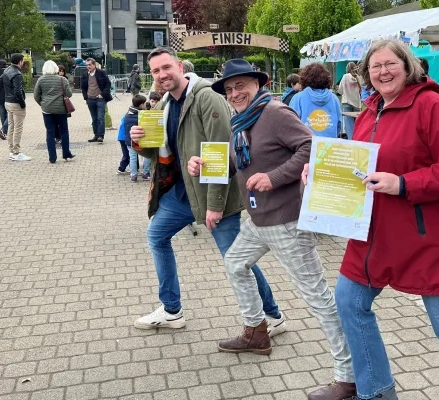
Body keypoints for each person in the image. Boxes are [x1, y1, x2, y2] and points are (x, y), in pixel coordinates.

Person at [302, 39, 439, 400]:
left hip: (429, 236)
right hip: (376, 233)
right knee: (350, 301)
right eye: (375, 66)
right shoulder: (371, 110)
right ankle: (376, 391)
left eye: (390, 64)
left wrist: (403, 183)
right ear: (366, 73)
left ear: (408, 66)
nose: (383, 71)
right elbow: (361, 165)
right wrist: (322, 172)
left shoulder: (433, 106)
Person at [188, 58, 356, 400]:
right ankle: (256, 332)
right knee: (236, 263)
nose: (235, 93)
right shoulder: (242, 120)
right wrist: (205, 164)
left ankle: (349, 375)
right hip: (258, 219)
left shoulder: (275, 112)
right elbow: (243, 161)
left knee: (319, 298)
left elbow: (311, 147)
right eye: (230, 88)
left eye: (241, 86)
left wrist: (275, 177)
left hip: (287, 221)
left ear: (258, 84)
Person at [129, 48, 285, 337]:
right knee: (156, 236)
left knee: (235, 259)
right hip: (180, 194)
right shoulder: (164, 104)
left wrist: (215, 204)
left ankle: (272, 315)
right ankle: (171, 310)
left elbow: (221, 153)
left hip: (214, 196)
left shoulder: (206, 97)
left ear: (179, 66)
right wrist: (139, 143)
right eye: (155, 71)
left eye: (166, 68)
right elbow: (162, 154)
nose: (162, 75)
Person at [34, 60, 75, 164]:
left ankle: (52, 157)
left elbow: (36, 95)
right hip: (61, 110)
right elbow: (69, 94)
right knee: (64, 131)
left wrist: (43, 104)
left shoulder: (41, 80)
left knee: (50, 132)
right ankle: (66, 154)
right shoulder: (62, 80)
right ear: (56, 68)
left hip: (47, 110)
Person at [289, 63, 341, 138]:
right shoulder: (334, 99)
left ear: (304, 79)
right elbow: (338, 124)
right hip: (328, 146)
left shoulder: (298, 98)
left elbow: (291, 124)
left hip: (305, 145)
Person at [0, 53, 30, 161]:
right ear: (20, 61)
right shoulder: (17, 74)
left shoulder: (6, 70)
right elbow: (17, 91)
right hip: (16, 104)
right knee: (18, 128)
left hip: (7, 102)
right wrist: (22, 103)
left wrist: (7, 92)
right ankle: (16, 152)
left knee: (11, 127)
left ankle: (12, 151)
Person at [81, 58, 112, 143]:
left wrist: (102, 94)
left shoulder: (101, 73)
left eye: (90, 65)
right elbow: (83, 87)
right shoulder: (85, 75)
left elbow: (108, 84)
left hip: (100, 99)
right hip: (90, 99)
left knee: (100, 118)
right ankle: (96, 135)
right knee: (94, 118)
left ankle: (101, 136)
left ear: (94, 65)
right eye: (87, 65)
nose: (88, 67)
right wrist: (86, 98)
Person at [125, 95, 151, 182]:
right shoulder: (141, 115)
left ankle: (133, 175)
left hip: (130, 140)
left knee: (132, 157)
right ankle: (145, 173)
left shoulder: (128, 114)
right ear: (141, 105)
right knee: (146, 157)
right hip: (141, 139)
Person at [338, 62, 362, 139]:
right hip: (357, 104)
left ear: (347, 69)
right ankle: (358, 139)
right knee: (357, 126)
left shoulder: (345, 76)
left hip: (347, 102)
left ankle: (351, 142)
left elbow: (340, 91)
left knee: (349, 126)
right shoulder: (359, 77)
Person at [0, 59, 8, 140]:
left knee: (2, 115)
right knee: (10, 114)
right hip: (9, 97)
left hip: (0, 97)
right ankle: (4, 130)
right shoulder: (9, 73)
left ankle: (4, 132)